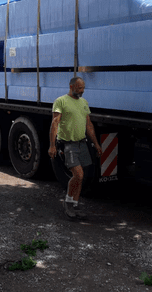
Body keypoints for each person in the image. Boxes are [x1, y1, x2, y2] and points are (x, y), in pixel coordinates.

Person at [49, 76, 101, 219]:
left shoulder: (84, 103)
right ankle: (68, 203)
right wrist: (52, 145)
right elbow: (54, 124)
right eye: (79, 88)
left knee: (80, 177)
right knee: (78, 175)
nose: (82, 91)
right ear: (71, 87)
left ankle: (75, 204)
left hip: (82, 143)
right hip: (67, 144)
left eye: (83, 88)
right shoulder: (61, 101)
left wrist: (96, 144)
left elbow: (88, 125)